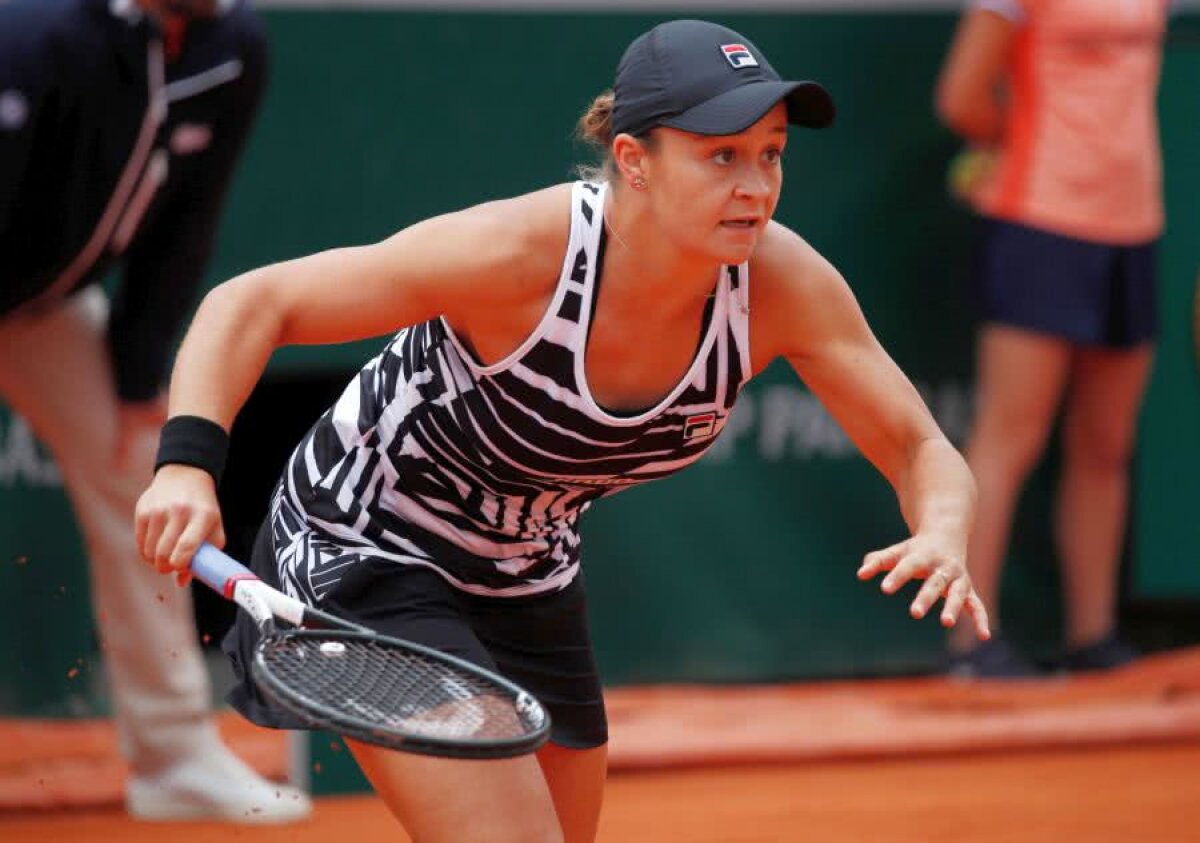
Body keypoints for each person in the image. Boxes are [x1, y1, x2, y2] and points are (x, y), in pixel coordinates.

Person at [136, 19, 990, 842]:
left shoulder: (782, 283)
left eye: (772, 154)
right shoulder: (517, 256)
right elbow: (252, 302)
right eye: (721, 154)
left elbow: (918, 446)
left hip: (526, 569)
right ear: (634, 160)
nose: (756, 184)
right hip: (367, 539)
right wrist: (186, 465)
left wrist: (945, 527)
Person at [0, 0, 311, 823]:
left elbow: (185, 224)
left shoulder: (234, 43)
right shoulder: (30, 33)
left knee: (147, 478)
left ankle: (172, 756)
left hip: (38, 307)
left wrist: (141, 382)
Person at [935, 0, 1170, 677]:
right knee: (1012, 434)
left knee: (1106, 442)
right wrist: (1033, 139)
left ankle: (1092, 635)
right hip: (1039, 218)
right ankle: (971, 640)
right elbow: (962, 97)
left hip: (1135, 221)